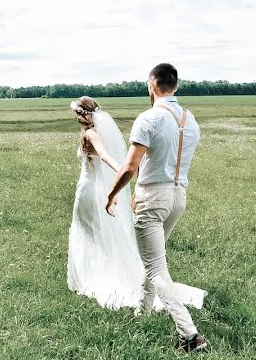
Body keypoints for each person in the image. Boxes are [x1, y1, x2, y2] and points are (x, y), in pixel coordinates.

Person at [67, 95, 205, 316]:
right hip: (88, 188)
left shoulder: (92, 133)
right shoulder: (94, 132)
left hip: (89, 190)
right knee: (90, 233)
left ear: (80, 115)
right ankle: (93, 274)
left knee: (90, 234)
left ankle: (97, 277)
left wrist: (123, 171)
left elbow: (105, 156)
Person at [105, 63, 208, 353]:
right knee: (155, 262)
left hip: (152, 197)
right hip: (178, 197)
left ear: (152, 85)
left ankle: (189, 335)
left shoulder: (148, 118)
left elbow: (130, 166)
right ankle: (143, 311)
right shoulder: (191, 120)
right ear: (175, 86)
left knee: (156, 267)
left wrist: (112, 194)